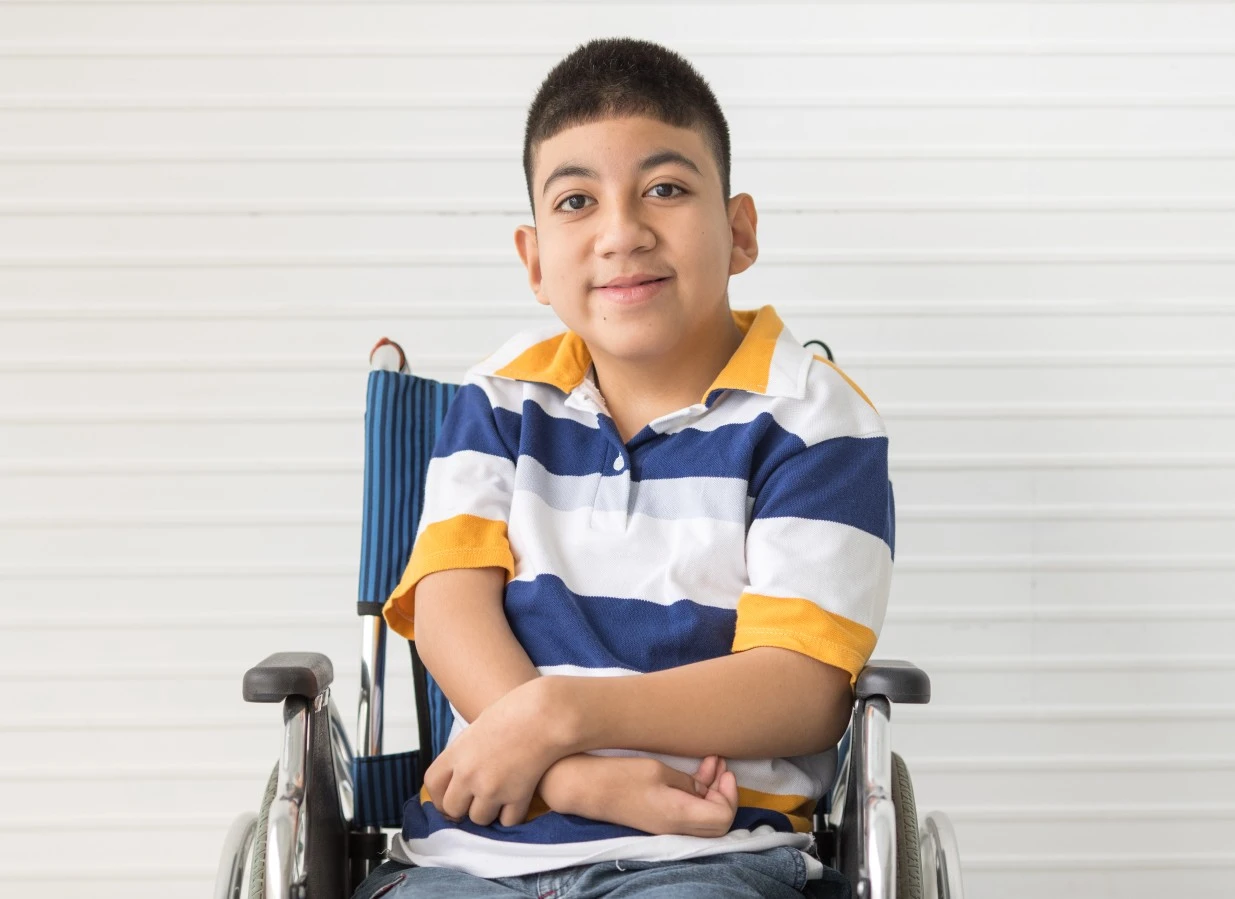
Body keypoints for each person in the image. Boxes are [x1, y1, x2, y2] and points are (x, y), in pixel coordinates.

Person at [353, 36, 894, 899]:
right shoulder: (502, 398)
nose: (621, 232)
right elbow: (451, 609)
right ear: (533, 261)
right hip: (474, 851)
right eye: (576, 201)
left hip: (709, 856)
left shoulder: (812, 419)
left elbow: (800, 688)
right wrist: (574, 777)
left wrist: (562, 712)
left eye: (666, 189)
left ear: (740, 229)